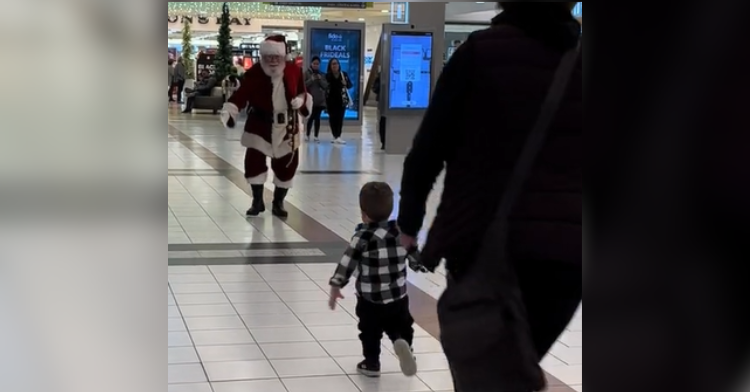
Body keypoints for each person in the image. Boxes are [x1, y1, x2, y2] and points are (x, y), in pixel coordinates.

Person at [397, 2, 582, 391]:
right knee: (512, 369)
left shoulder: (479, 53)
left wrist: (409, 225)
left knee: (486, 371)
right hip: (568, 256)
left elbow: (427, 150)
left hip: (483, 243)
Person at [328, 182, 418, 378]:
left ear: (364, 213)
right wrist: (421, 263)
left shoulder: (362, 237)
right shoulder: (400, 233)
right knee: (402, 324)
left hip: (370, 299)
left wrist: (336, 285)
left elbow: (347, 263)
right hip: (398, 295)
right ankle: (403, 345)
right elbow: (415, 256)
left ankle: (372, 364)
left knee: (369, 331)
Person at [221, 35, 312, 218]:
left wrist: (300, 101)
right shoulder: (255, 73)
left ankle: (278, 202)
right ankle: (257, 201)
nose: (272, 60)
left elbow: (303, 92)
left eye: (275, 57)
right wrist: (231, 111)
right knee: (254, 163)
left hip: (287, 126)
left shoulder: (294, 71)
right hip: (259, 125)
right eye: (268, 57)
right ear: (262, 56)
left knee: (287, 166)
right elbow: (241, 95)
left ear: (282, 56)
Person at [325, 58, 352, 145]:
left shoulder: (343, 74)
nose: (334, 65)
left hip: (341, 100)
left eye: (336, 64)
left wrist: (345, 83)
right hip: (330, 101)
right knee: (332, 118)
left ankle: (338, 135)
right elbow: (324, 87)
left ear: (339, 65)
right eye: (333, 64)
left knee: (340, 118)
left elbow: (349, 85)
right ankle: (334, 135)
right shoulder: (327, 76)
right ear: (330, 66)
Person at [304, 56, 328, 143]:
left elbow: (325, 86)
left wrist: (320, 80)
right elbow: (303, 85)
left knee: (317, 118)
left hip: (319, 100)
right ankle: (307, 134)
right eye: (314, 63)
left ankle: (316, 136)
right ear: (311, 64)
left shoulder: (322, 74)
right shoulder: (306, 73)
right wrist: (311, 79)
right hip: (310, 99)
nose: (316, 65)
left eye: (317, 64)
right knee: (310, 117)